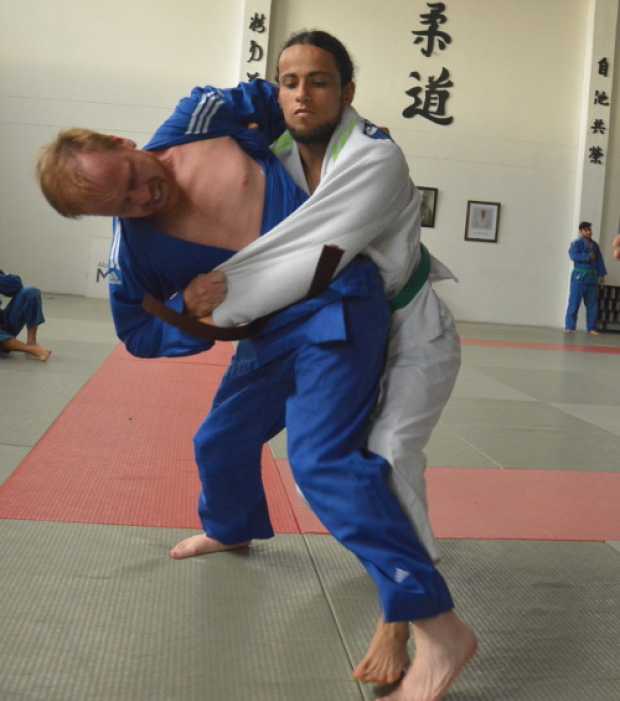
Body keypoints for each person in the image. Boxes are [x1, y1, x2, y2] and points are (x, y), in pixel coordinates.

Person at [37, 32, 476, 700]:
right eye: (119, 206)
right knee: (220, 438)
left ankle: (434, 622)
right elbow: (138, 334)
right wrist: (188, 309)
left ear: (124, 143)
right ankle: (231, 524)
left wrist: (341, 145)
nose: (141, 198)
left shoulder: (205, 116)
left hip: (337, 299)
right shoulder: (138, 260)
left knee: (324, 461)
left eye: (131, 179)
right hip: (269, 332)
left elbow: (298, 103)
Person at [564, 221, 607, 335]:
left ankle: (592, 328)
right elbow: (573, 255)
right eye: (586, 230)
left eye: (590, 229)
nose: (589, 232)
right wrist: (587, 257)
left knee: (593, 305)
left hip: (592, 278)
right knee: (574, 302)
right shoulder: (576, 244)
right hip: (579, 277)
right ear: (581, 231)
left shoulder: (595, 246)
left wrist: (601, 275)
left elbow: (599, 261)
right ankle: (570, 327)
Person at [0, 270, 51, 361]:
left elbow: (16, 285)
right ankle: (31, 349)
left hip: (3, 321)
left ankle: (31, 342)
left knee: (31, 293)